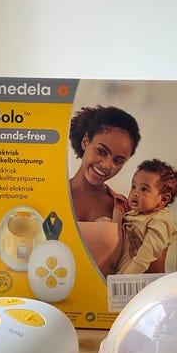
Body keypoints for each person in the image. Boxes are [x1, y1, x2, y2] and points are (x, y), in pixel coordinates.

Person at [69, 105, 141, 277]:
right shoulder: (52, 194)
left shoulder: (126, 209)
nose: (107, 165)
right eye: (101, 151)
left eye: (118, 161)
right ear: (85, 142)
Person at [116, 159, 177, 274]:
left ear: (163, 199)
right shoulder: (134, 214)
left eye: (144, 189)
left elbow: (146, 254)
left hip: (140, 278)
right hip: (122, 273)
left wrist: (126, 277)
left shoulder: (160, 220)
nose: (135, 193)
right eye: (133, 186)